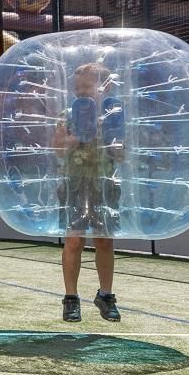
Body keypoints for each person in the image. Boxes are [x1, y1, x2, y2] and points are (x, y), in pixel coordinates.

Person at [54, 60, 123, 322]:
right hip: (75, 182)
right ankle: (71, 298)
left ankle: (105, 295)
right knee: (74, 239)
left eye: (87, 86)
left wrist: (110, 137)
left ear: (103, 88)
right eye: (78, 87)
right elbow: (58, 149)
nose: (81, 91)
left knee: (104, 239)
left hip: (104, 182)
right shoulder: (67, 114)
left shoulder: (113, 114)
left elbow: (122, 154)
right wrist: (78, 137)